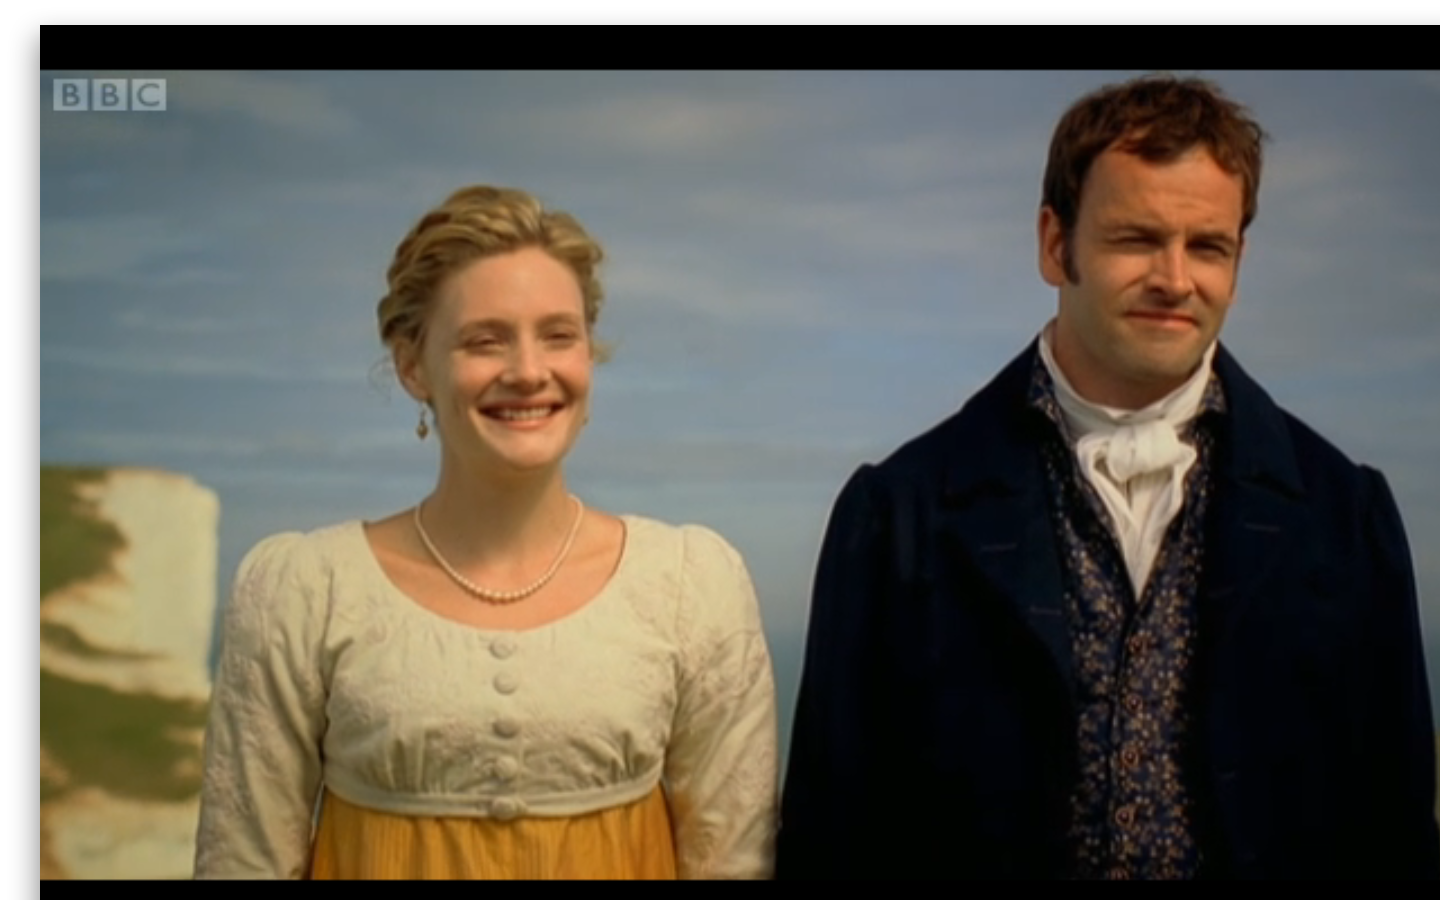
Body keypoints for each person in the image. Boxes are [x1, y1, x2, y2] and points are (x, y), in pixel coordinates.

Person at [776, 74, 1439, 879]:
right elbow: (833, 836)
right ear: (1055, 243)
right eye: (1136, 239)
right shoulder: (896, 515)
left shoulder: (1346, 516)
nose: (1175, 278)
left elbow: (1395, 833)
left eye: (1208, 247)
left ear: (1238, 262)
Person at [193, 185, 779, 879]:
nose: (528, 372)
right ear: (413, 366)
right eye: (484, 341)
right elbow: (244, 863)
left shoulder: (691, 585)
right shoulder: (303, 593)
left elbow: (733, 863)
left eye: (558, 335)